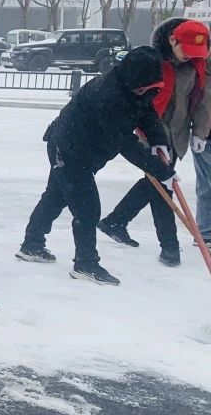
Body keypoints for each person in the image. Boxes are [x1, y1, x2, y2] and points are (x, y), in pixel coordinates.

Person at [17, 45, 176, 286]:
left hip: (83, 150)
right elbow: (124, 141)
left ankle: (32, 245)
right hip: (70, 150)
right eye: (143, 87)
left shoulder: (133, 88)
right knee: (87, 207)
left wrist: (158, 142)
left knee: (56, 196)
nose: (145, 92)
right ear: (134, 79)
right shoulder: (109, 94)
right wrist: (160, 170)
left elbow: (146, 112)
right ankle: (86, 264)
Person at [99, 19, 209, 266]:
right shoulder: (152, 61)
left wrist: (200, 132)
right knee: (162, 182)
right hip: (151, 129)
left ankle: (116, 220)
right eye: (186, 50)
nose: (190, 57)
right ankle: (169, 247)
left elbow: (202, 100)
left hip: (177, 132)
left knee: (157, 180)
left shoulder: (198, 65)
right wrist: (148, 132)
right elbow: (139, 98)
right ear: (172, 40)